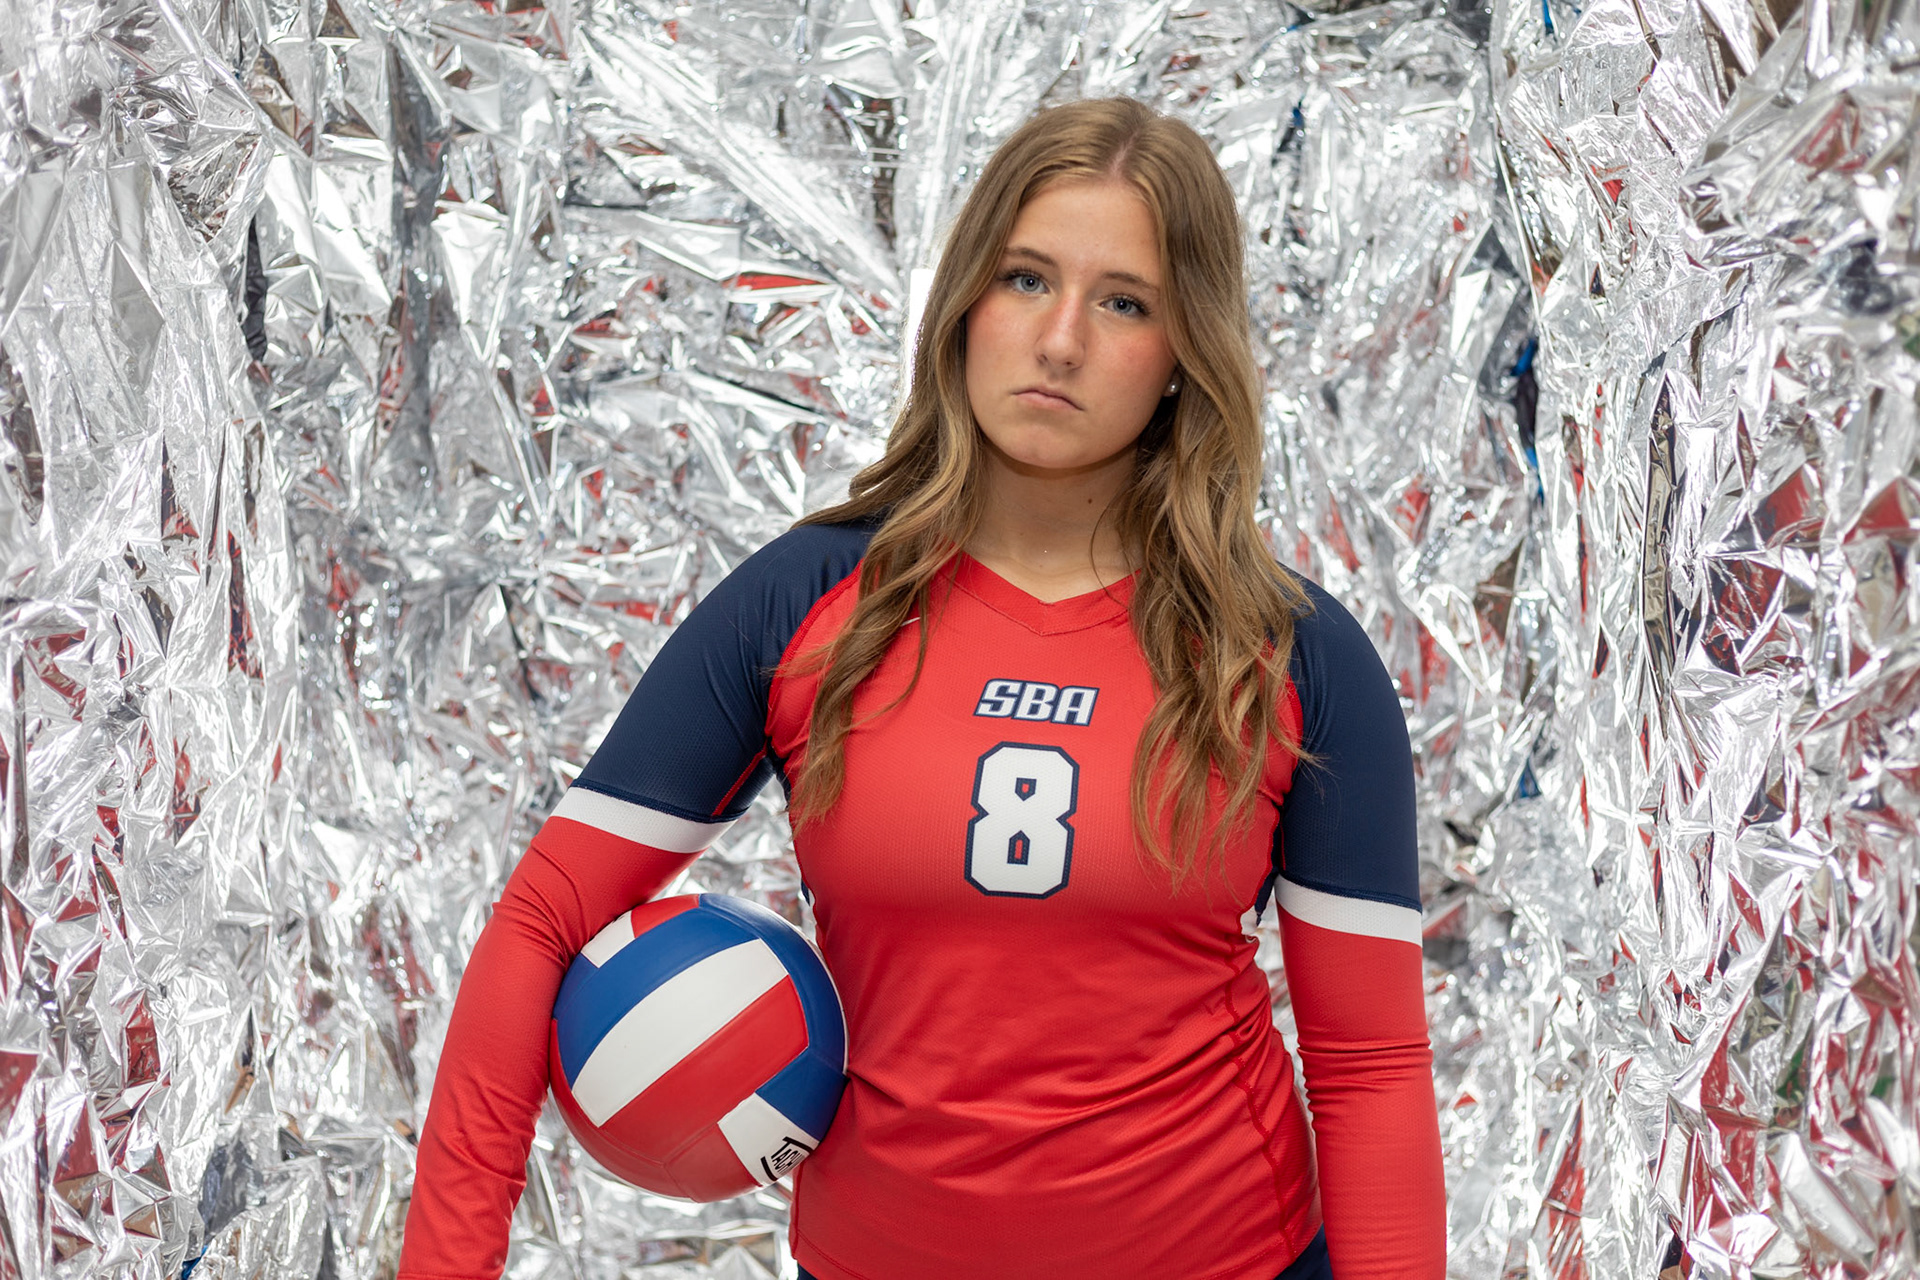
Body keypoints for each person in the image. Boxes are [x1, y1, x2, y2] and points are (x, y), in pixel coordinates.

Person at [397, 97, 1446, 1280]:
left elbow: (1369, 1067)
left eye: (1125, 302)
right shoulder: (805, 601)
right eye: (1025, 279)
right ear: (963, 303)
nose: (1060, 340)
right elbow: (541, 918)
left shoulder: (1290, 652)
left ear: (1182, 354)